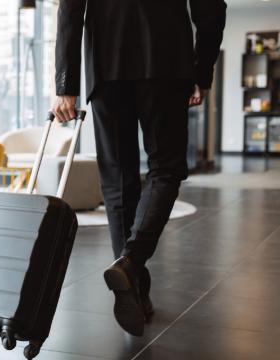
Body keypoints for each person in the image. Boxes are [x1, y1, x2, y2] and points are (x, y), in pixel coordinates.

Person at [52, 0, 226, 336]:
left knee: (118, 179)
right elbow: (211, 8)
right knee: (166, 169)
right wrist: (201, 70)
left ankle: (136, 291)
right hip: (167, 61)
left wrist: (65, 85)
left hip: (105, 64)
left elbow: (70, 9)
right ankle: (131, 262)